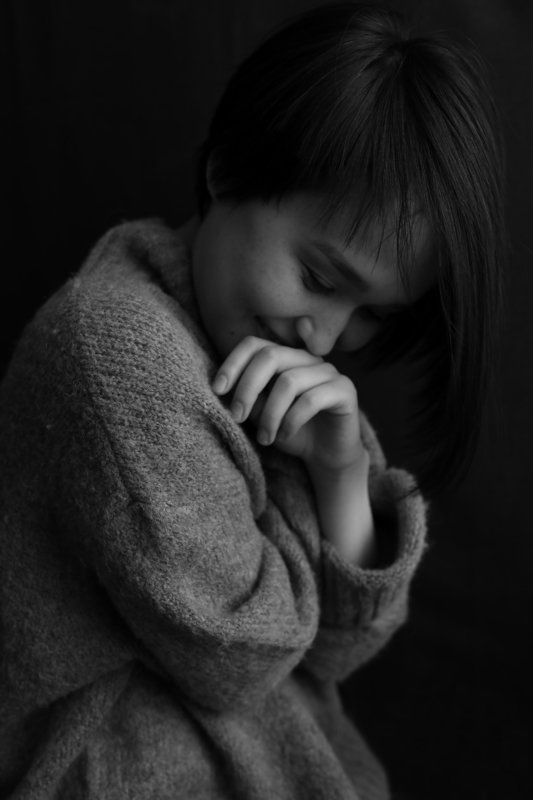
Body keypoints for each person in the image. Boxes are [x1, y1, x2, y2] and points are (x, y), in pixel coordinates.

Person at [0, 3, 505, 799]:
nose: (326, 336)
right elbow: (241, 663)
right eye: (319, 277)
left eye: (373, 315)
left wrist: (341, 469)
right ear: (229, 169)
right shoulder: (111, 355)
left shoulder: (266, 366)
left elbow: (339, 650)